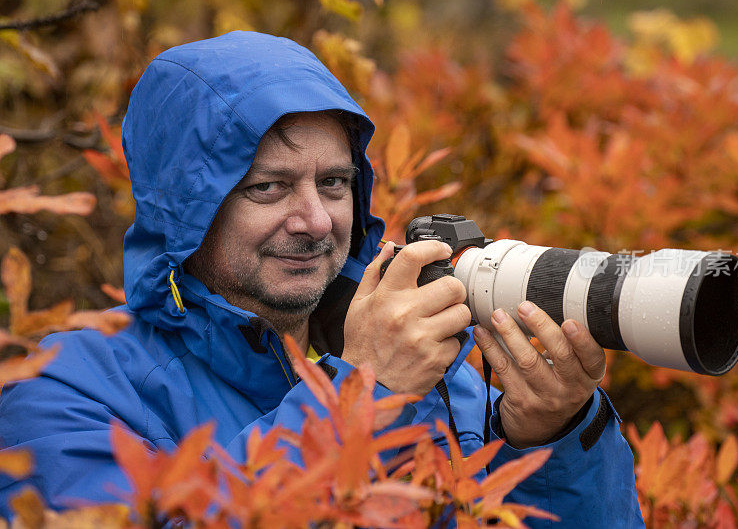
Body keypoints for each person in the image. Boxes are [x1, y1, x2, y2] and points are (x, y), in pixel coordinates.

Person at [0, 32, 644, 526]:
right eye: (268, 187)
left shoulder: (429, 366)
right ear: (186, 209)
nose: (314, 220)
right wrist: (358, 397)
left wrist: (549, 438)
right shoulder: (66, 395)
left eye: (334, 183)